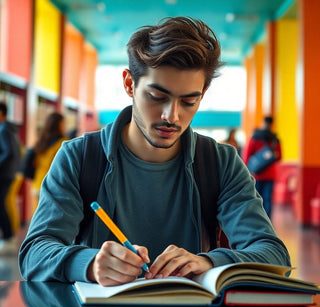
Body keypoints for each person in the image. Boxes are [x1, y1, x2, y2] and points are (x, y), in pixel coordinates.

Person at [19, 17, 290, 286]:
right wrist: (89, 264)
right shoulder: (79, 158)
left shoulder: (220, 162)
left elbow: (275, 256)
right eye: (157, 97)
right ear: (129, 84)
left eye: (188, 101)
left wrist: (210, 262)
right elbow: (34, 253)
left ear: (202, 95)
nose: (171, 116)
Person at [243, 116, 282, 219]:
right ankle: (267, 221)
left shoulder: (255, 137)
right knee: (268, 199)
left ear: (262, 123)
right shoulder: (275, 139)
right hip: (271, 174)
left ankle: (257, 220)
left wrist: (248, 170)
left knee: (256, 199)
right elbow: (279, 157)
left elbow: (247, 155)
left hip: (256, 174)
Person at [30, 112, 68, 201]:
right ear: (59, 124)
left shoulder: (41, 141)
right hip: (54, 185)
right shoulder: (64, 143)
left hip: (38, 183)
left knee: (38, 214)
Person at [0, 101, 21, 254]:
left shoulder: (4, 130)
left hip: (4, 174)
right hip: (8, 173)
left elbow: (10, 152)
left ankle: (8, 237)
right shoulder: (8, 129)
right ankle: (8, 237)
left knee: (1, 205)